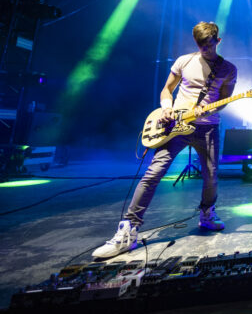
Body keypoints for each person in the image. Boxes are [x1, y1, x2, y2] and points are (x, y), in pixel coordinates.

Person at [93, 21, 238, 259]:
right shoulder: (184, 61)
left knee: (211, 175)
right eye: (201, 46)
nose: (205, 51)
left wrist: (207, 111)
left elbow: (225, 100)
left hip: (207, 128)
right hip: (175, 126)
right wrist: (166, 108)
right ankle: (128, 230)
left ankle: (207, 214)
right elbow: (166, 90)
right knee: (153, 174)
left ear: (218, 41)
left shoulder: (228, 69)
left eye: (209, 46)